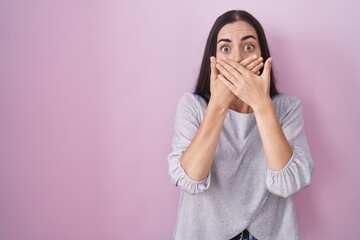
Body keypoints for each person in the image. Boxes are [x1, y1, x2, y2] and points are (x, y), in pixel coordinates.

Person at [167, 10, 314, 240]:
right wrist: (217, 106)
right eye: (225, 48)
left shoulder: (287, 108)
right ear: (213, 59)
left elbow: (290, 183)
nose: (237, 58)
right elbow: (190, 179)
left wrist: (261, 104)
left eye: (248, 47)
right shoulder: (192, 106)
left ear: (263, 56)